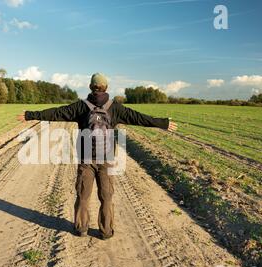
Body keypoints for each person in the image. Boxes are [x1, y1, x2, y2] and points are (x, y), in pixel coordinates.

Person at [17, 73, 177, 240]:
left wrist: (30, 115)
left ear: (90, 87)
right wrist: (163, 123)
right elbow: (139, 118)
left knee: (83, 195)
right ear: (106, 87)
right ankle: (106, 231)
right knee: (106, 197)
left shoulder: (81, 106)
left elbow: (56, 113)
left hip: (86, 159)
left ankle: (80, 229)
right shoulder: (114, 107)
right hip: (106, 160)